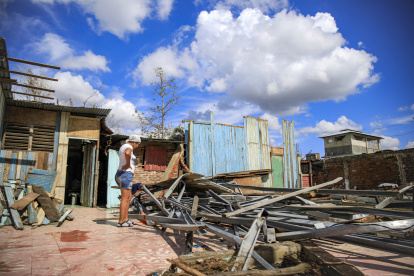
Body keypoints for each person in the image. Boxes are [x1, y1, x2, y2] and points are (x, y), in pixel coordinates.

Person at [115, 134, 141, 227]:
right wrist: (127, 165)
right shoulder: (129, 146)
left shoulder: (124, 146)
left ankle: (126, 219)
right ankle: (121, 222)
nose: (137, 146)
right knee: (125, 199)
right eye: (138, 144)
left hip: (122, 174)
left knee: (128, 198)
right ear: (134, 142)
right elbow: (127, 153)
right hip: (126, 174)